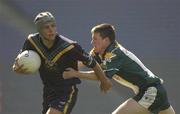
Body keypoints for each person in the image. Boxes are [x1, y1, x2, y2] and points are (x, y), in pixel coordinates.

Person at [63, 23, 176, 114]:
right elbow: (84, 62)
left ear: (106, 40)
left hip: (151, 91)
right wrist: (62, 67)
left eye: (95, 39)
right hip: (154, 91)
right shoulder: (100, 52)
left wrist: (76, 74)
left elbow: (103, 76)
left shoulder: (114, 54)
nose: (92, 42)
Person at [12, 12, 112, 114]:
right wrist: (17, 67)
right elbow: (19, 61)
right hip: (48, 90)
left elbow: (93, 63)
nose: (51, 30)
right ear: (39, 29)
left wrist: (104, 81)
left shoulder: (69, 46)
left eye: (53, 26)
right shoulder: (32, 41)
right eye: (46, 27)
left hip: (66, 91)